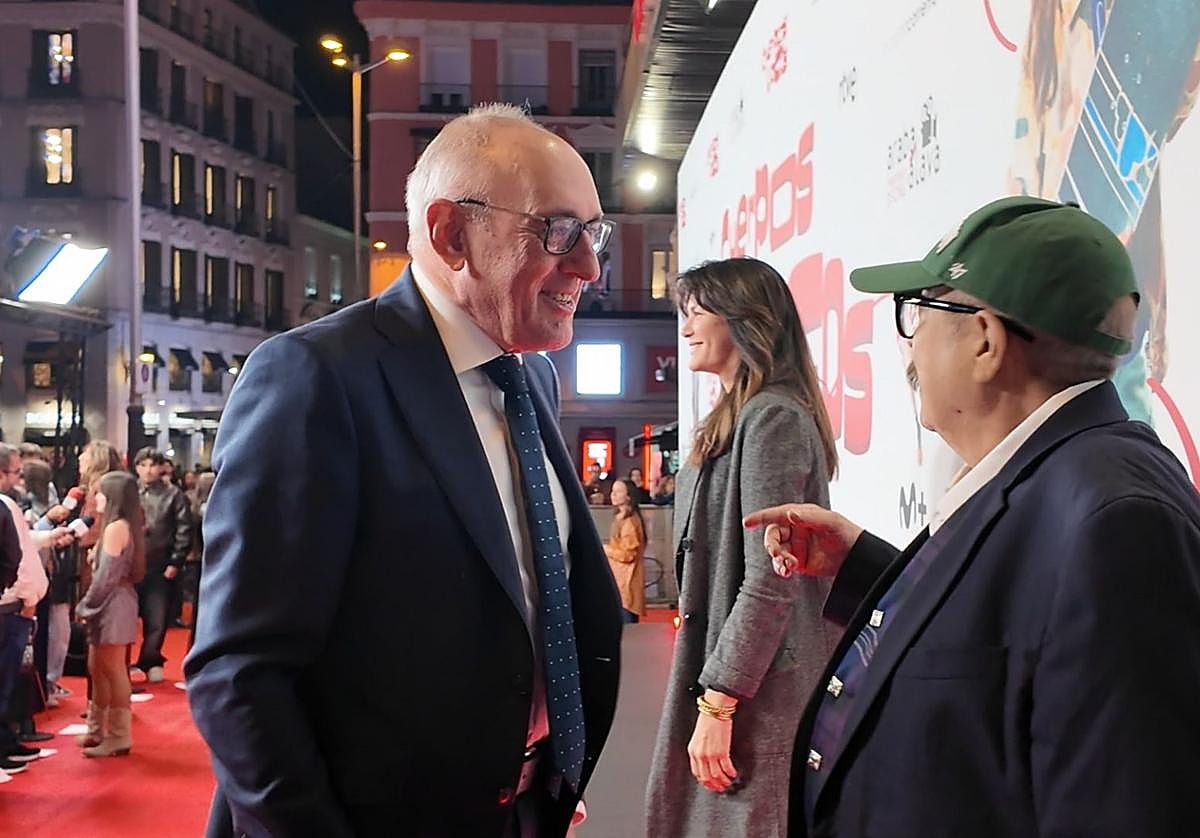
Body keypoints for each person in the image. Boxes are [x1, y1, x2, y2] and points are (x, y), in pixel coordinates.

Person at [186, 103, 623, 838]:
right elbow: (241, 674)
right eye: (558, 230)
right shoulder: (317, 376)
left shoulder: (530, 378)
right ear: (452, 234)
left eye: (595, 233)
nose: (589, 266)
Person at [745, 196, 1200, 837]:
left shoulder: (1116, 519)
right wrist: (871, 569)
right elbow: (1012, 646)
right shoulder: (1048, 473)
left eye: (918, 313)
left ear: (985, 340)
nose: (909, 350)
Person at [646, 257, 842, 837]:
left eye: (698, 312)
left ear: (744, 319)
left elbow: (771, 575)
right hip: (740, 675)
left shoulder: (773, 417)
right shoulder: (742, 414)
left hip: (761, 692)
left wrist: (721, 700)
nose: (686, 327)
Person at [0, 443, 70, 775]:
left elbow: (22, 544)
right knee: (4, 682)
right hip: (11, 606)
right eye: (15, 472)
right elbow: (15, 557)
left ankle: (6, 741)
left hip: (14, 603)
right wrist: (27, 598)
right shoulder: (6, 505)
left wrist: (48, 535)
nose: (20, 479)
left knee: (9, 682)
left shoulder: (8, 504)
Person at [74, 471, 145, 757]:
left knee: (113, 669)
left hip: (113, 604)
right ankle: (96, 729)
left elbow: (106, 578)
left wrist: (85, 606)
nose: (96, 498)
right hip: (110, 602)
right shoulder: (117, 526)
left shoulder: (117, 528)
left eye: (101, 493)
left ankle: (118, 735)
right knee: (98, 667)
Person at [131, 448, 192, 683]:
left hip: (160, 564)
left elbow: (184, 529)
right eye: (143, 465)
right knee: (126, 617)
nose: (148, 470)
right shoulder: (129, 491)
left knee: (156, 617)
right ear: (137, 467)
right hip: (130, 564)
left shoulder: (173, 494)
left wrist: (176, 560)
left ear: (161, 468)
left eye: (152, 465)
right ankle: (125, 662)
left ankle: (150, 660)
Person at [603, 478, 647, 623]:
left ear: (628, 496)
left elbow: (628, 554)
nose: (613, 495)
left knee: (627, 626)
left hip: (627, 583)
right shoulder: (620, 518)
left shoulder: (630, 522)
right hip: (619, 581)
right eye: (613, 491)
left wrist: (606, 550)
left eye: (618, 492)